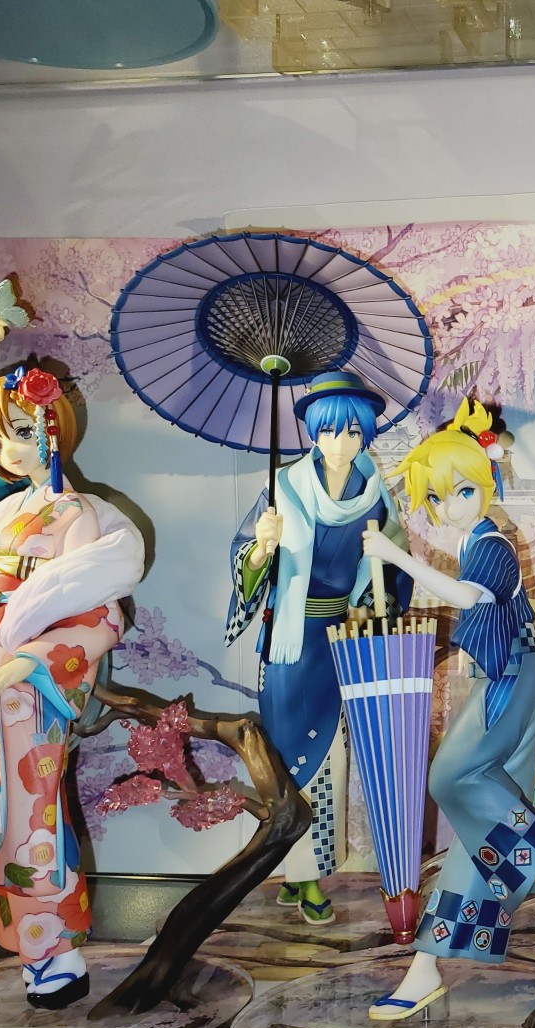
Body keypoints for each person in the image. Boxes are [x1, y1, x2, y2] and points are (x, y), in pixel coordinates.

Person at [0, 367, 144, 1006]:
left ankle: (55, 952)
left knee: (33, 813)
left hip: (30, 684)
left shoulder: (79, 514)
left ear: (54, 427)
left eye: (21, 432)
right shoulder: (1, 517)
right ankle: (30, 951)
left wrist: (34, 662)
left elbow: (97, 613)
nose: (10, 451)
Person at [358, 395, 535, 1019]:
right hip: (506, 675)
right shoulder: (475, 543)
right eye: (436, 497)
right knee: (480, 830)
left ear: (485, 484)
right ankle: (425, 968)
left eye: (461, 491)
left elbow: (465, 596)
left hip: (512, 679)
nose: (450, 506)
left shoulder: (492, 545)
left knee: (450, 778)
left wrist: (396, 557)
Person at [226, 369, 413, 926]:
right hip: (290, 644)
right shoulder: (282, 488)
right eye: (330, 431)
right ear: (312, 431)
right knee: (290, 757)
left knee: (332, 760)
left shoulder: (374, 494)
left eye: (354, 432)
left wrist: (379, 583)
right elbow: (244, 564)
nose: (342, 443)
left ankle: (304, 873)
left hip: (339, 636)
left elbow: (392, 572)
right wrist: (261, 548)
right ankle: (300, 875)